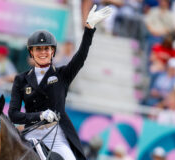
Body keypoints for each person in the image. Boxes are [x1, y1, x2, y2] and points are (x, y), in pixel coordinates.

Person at [8, 4, 112, 160]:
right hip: (30, 134)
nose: (43, 53)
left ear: (52, 51)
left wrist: (89, 29)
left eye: (46, 49)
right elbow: (13, 114)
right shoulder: (21, 80)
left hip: (56, 135)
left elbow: (81, 57)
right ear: (31, 52)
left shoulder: (63, 74)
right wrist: (39, 115)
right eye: (38, 49)